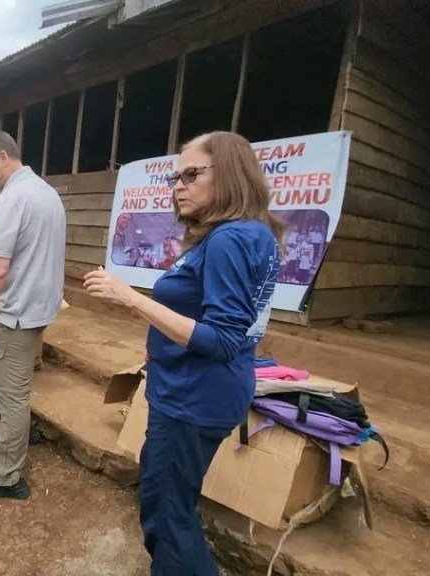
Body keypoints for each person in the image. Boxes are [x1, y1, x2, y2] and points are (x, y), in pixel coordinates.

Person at [84, 131, 282, 575]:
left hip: (193, 398)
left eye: (192, 174)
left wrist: (130, 298)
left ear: (230, 173)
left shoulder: (230, 240)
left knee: (168, 518)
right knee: (174, 504)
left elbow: (223, 338)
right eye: (175, 177)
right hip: (203, 391)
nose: (178, 186)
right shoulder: (252, 233)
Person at [0, 129, 66, 500]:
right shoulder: (46, 193)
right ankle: (20, 429)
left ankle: (7, 478)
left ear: (2, 157)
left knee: (11, 393)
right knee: (9, 375)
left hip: (20, 312)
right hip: (40, 306)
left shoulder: (12, 199)